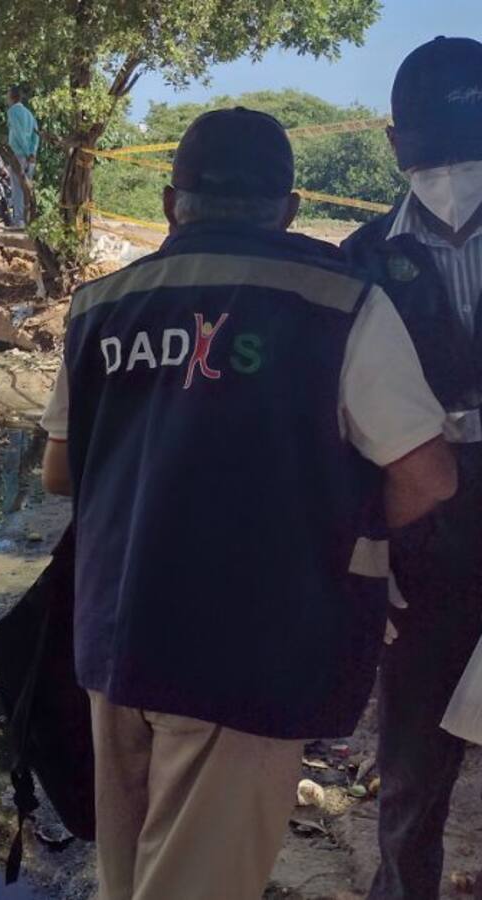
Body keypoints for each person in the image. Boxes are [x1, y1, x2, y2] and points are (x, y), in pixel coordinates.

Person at [39, 106, 457, 900]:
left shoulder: (99, 305)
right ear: (291, 208)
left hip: (113, 640)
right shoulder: (340, 304)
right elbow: (428, 475)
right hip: (246, 653)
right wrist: (339, 533)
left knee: (128, 879)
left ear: (170, 204)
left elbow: (60, 472)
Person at [341, 37, 482, 900]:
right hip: (418, 555)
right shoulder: (354, 265)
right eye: (435, 144)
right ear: (396, 147)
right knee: (410, 781)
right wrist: (367, 555)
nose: (453, 168)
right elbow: (334, 432)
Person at [5, 86, 39, 228]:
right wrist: (32, 152)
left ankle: (19, 220)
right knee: (27, 187)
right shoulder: (29, 113)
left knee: (17, 187)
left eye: (7, 95)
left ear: (12, 97)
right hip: (30, 156)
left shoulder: (13, 111)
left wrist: (25, 151)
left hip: (18, 153)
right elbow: (36, 134)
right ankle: (28, 219)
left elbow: (18, 133)